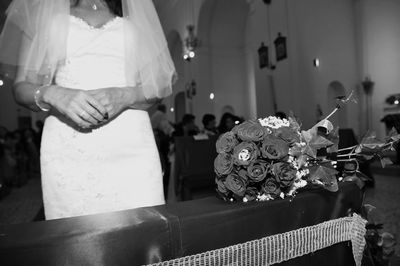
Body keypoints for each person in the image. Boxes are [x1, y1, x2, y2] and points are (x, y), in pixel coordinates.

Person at [0, 0, 176, 219]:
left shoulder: (135, 18)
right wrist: (53, 93)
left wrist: (125, 95)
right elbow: (21, 87)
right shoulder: (45, 18)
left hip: (131, 144)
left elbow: (158, 86)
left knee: (142, 232)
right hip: (69, 145)